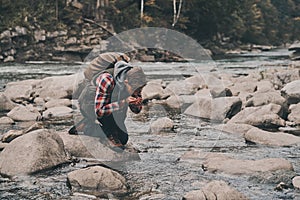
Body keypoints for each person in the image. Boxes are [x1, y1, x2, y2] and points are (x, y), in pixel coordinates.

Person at [70, 52, 147, 150]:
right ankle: (88, 126)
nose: (138, 92)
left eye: (140, 90)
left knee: (123, 138)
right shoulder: (107, 79)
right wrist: (124, 102)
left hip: (111, 106)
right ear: (126, 82)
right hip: (90, 105)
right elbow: (100, 111)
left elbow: (136, 111)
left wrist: (137, 104)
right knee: (117, 141)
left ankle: (86, 126)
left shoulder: (135, 84)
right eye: (136, 90)